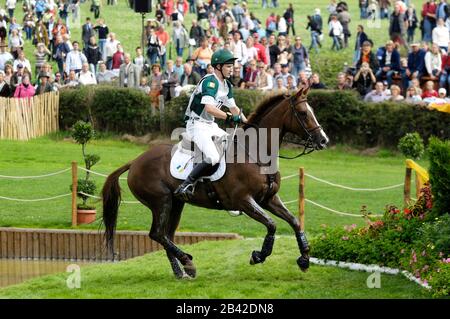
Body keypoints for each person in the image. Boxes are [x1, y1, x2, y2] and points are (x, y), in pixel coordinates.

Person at [174, 49, 247, 201]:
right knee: (213, 156)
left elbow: (234, 109)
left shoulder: (226, 85)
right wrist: (229, 117)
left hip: (210, 125)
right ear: (218, 67)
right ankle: (186, 184)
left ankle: (226, 189)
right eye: (228, 66)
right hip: (196, 125)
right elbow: (209, 108)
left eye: (232, 66)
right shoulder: (210, 81)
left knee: (234, 147)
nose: (231, 68)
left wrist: (249, 123)